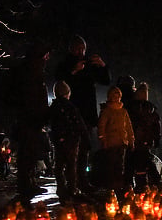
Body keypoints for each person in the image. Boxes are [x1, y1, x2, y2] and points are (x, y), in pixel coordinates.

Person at [55, 35, 112, 192]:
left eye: (83, 49)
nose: (81, 52)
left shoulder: (89, 64)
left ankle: (82, 180)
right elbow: (60, 82)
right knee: (71, 149)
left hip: (87, 112)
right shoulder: (65, 64)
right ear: (71, 49)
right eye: (78, 49)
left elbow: (106, 80)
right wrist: (74, 71)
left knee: (85, 148)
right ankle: (71, 182)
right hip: (71, 111)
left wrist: (102, 65)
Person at [9, 42, 51, 201]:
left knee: (29, 152)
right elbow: (33, 95)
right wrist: (40, 113)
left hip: (29, 116)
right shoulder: (32, 70)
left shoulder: (30, 69)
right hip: (30, 117)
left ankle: (28, 182)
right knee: (28, 152)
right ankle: (26, 184)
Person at [47, 80, 88, 200]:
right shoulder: (71, 107)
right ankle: (72, 188)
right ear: (67, 93)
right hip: (71, 140)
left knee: (59, 165)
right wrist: (84, 138)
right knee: (71, 165)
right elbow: (79, 123)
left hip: (58, 140)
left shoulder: (53, 107)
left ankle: (61, 187)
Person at [97, 86, 134, 197]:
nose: (115, 97)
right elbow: (101, 126)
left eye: (117, 95)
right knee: (111, 165)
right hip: (111, 142)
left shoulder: (123, 111)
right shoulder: (107, 111)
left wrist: (131, 139)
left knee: (120, 166)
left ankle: (118, 186)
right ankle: (111, 187)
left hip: (122, 142)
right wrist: (103, 139)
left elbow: (128, 126)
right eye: (113, 95)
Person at [127, 82, 161, 189]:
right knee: (138, 161)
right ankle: (141, 183)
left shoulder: (149, 108)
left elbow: (156, 125)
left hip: (144, 139)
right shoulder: (133, 107)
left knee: (142, 161)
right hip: (137, 139)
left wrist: (156, 138)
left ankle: (143, 183)